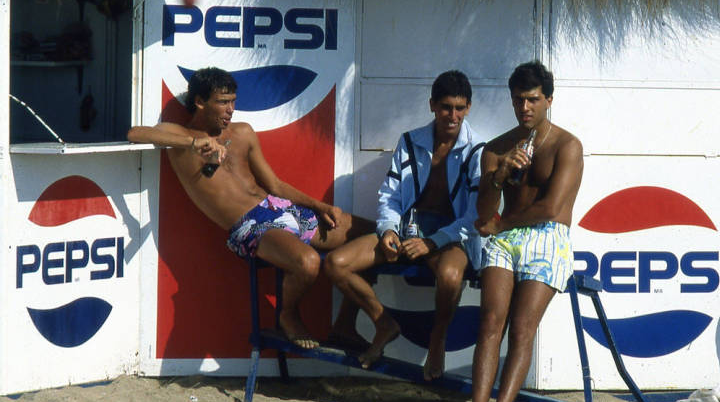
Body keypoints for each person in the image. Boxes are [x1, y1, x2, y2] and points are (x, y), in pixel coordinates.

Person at [127, 67, 372, 349]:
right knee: (308, 263)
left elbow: (276, 185)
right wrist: (194, 143)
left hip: (280, 208)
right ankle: (288, 315)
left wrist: (319, 205)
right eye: (222, 102)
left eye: (233, 101)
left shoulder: (242, 133)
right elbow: (135, 133)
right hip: (250, 225)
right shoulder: (180, 136)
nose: (230, 109)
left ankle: (345, 325)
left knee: (369, 235)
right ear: (199, 102)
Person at [324, 70, 484, 378]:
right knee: (336, 264)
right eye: (446, 107)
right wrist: (387, 230)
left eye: (459, 108)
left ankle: (437, 342)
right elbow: (390, 197)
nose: (452, 115)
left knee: (451, 277)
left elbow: (474, 217)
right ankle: (383, 323)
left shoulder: (477, 149)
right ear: (432, 105)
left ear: (468, 108)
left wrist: (433, 241)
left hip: (450, 236)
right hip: (408, 228)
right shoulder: (411, 141)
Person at [462, 60, 583, 402]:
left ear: (549, 99)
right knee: (490, 323)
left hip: (547, 236)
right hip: (505, 237)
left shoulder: (568, 145)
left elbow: (550, 208)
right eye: (518, 100)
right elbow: (484, 212)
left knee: (522, 330)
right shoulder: (497, 148)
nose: (525, 108)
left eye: (532, 100)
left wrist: (499, 223)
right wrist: (499, 176)